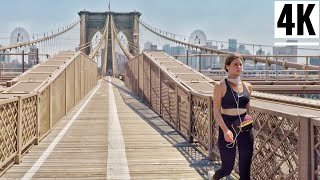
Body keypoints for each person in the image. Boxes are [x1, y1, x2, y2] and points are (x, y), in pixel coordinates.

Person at [208, 54, 254, 180]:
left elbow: (247, 109)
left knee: (245, 168)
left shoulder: (248, 86)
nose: (239, 67)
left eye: (240, 64)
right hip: (227, 125)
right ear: (227, 67)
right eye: (235, 64)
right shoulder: (220, 86)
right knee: (227, 167)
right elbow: (216, 111)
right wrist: (225, 130)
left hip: (244, 127)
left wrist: (249, 120)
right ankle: (215, 176)